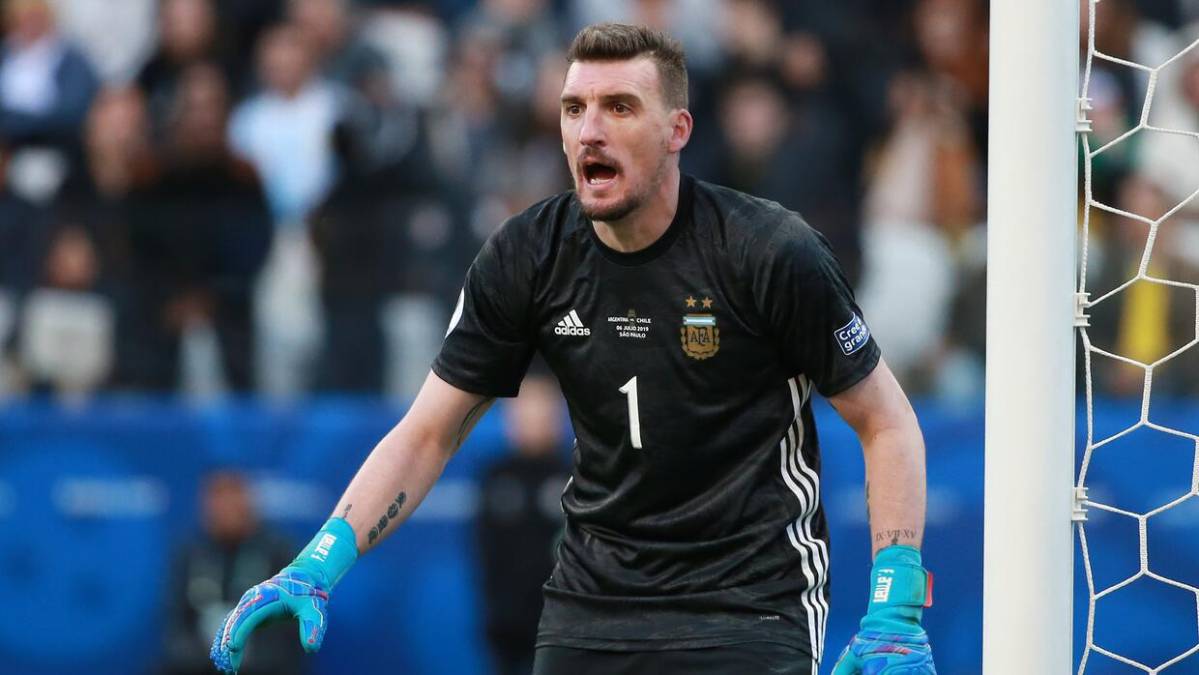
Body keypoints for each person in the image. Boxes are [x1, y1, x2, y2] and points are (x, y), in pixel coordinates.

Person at [211, 23, 936, 675]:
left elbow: (886, 421)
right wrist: (317, 562)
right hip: (591, 607)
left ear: (677, 129)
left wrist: (895, 603)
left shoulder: (769, 250)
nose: (590, 130)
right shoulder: (527, 254)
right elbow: (427, 432)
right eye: (573, 108)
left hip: (749, 607)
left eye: (619, 107)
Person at [477, 374, 570, 675]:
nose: (532, 415)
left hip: (561, 623)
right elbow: (484, 550)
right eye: (523, 406)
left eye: (541, 405)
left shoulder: (574, 475)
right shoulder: (495, 477)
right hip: (507, 622)